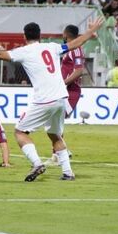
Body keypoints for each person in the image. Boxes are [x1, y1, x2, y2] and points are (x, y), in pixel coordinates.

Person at [0, 17, 104, 182]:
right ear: (40, 36)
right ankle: (68, 172)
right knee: (55, 135)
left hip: (45, 99)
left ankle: (36, 163)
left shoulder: (23, 51)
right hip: (61, 98)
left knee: (20, 132)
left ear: (24, 37)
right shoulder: (53, 47)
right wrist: (91, 31)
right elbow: (75, 43)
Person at [48, 24, 85, 165]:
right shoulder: (69, 49)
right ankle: (62, 151)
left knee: (56, 120)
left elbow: (79, 71)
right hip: (64, 90)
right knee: (56, 120)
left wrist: (63, 83)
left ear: (66, 34)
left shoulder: (77, 50)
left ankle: (57, 155)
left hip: (71, 91)